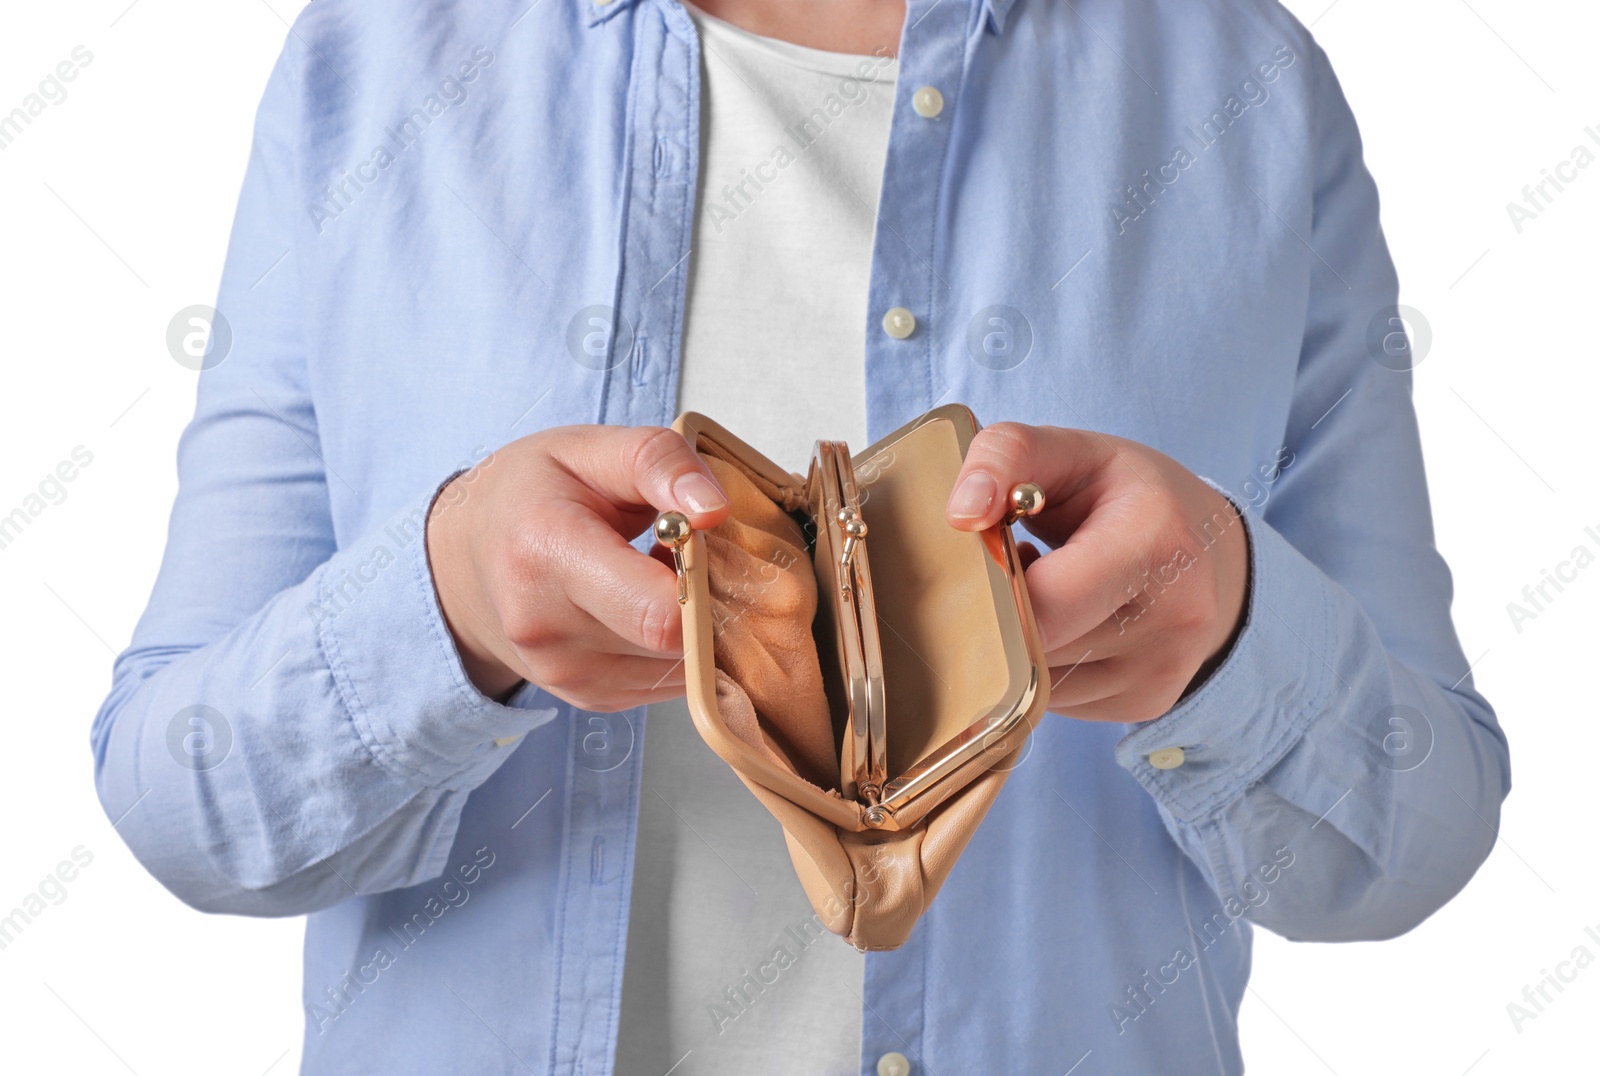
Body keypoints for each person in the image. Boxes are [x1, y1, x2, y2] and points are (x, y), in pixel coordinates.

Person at [91, 0, 1510, 1072]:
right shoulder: (376, 62)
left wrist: (1232, 635)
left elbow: (1421, 832)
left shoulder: (1242, 82)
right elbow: (181, 802)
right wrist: (444, 617)